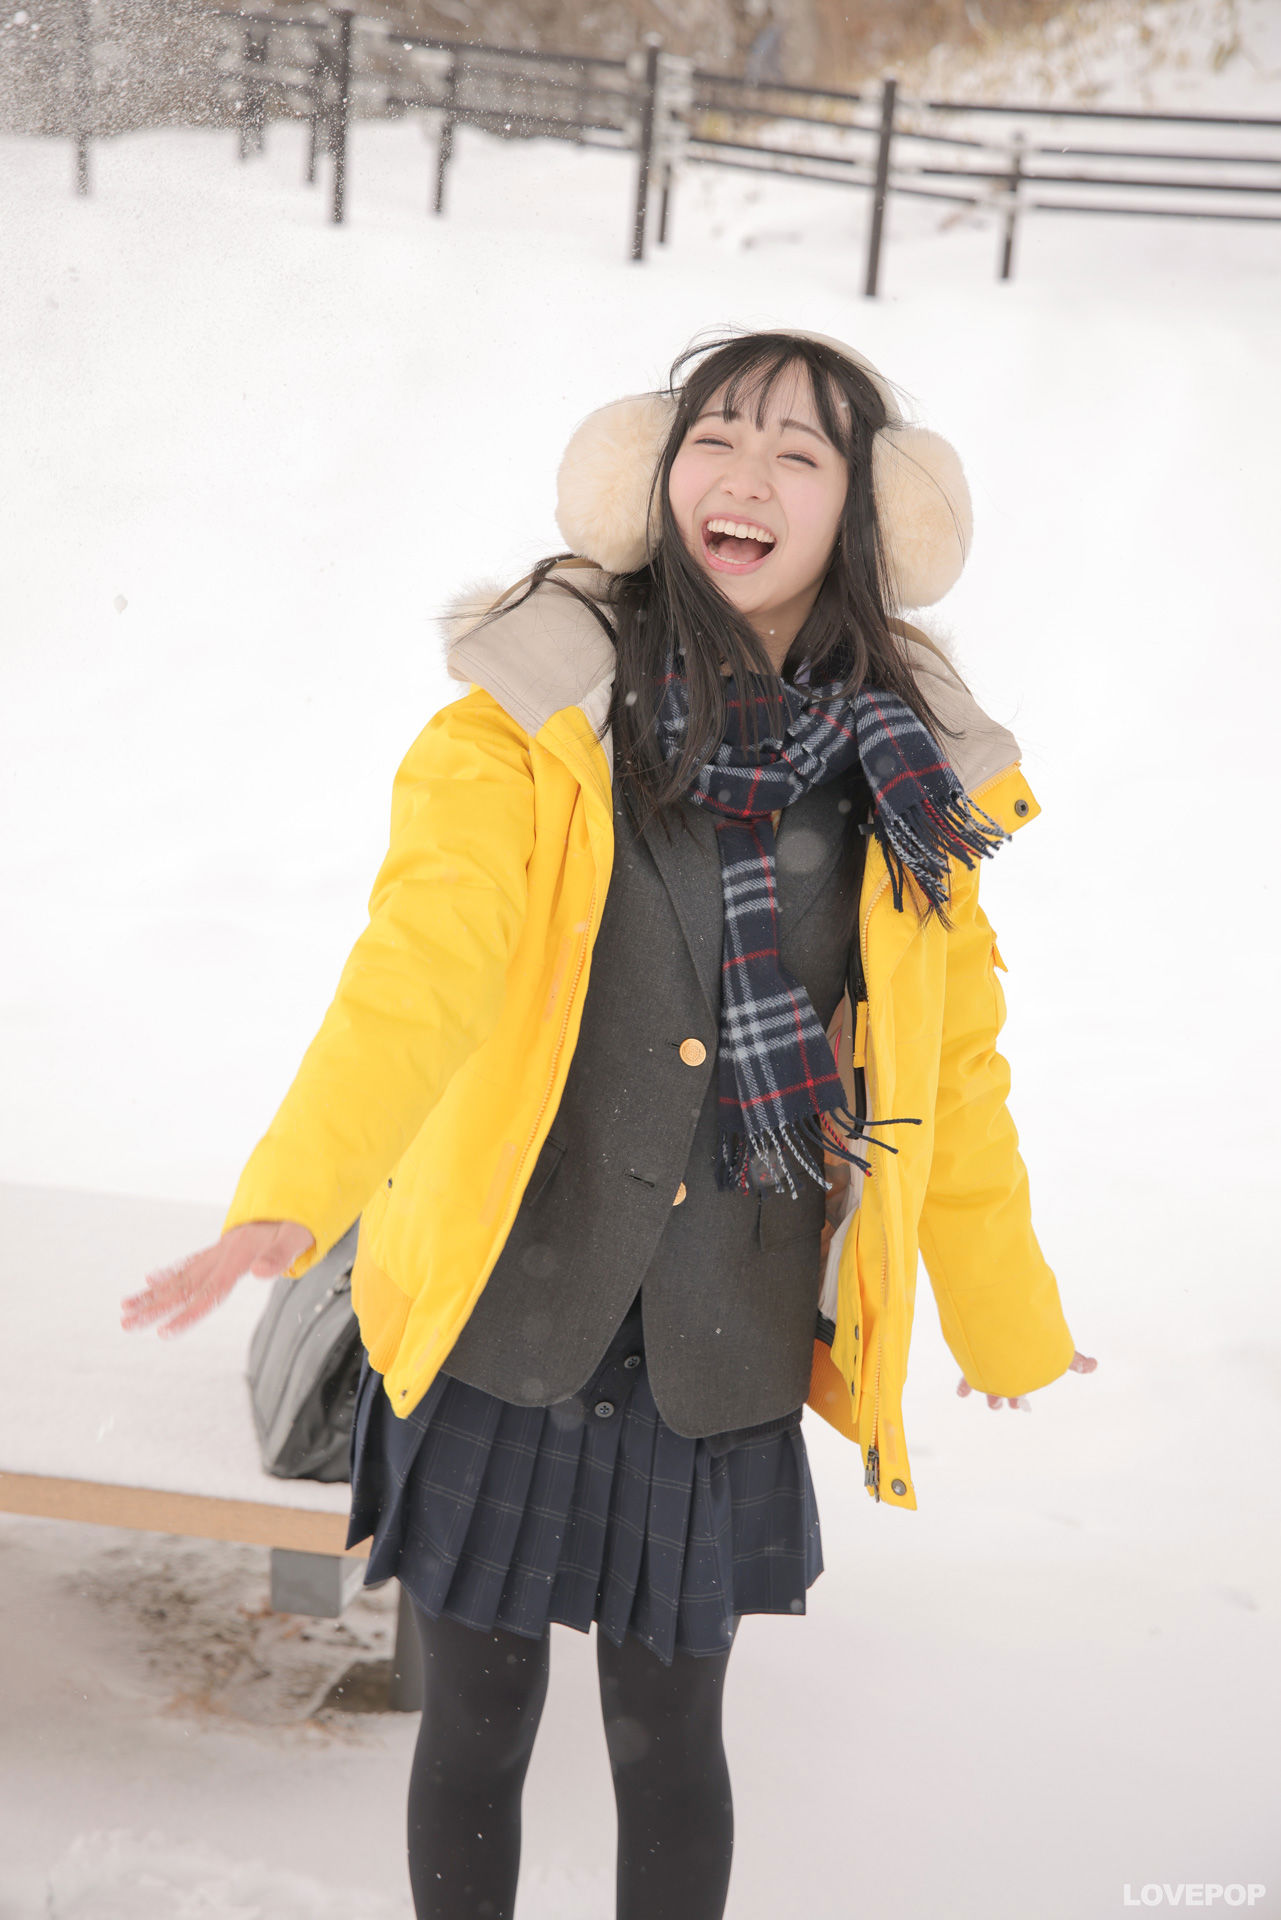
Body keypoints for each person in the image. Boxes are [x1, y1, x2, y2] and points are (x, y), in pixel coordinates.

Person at [121, 327, 1097, 1920]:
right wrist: (295, 1192)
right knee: (477, 1721)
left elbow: (952, 1073)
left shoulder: (907, 779)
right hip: (518, 1301)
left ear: (862, 515)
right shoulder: (533, 714)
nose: (746, 475)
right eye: (716, 436)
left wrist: (1004, 1319)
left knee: (670, 1744)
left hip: (723, 1333)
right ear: (654, 475)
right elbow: (415, 971)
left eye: (797, 452)